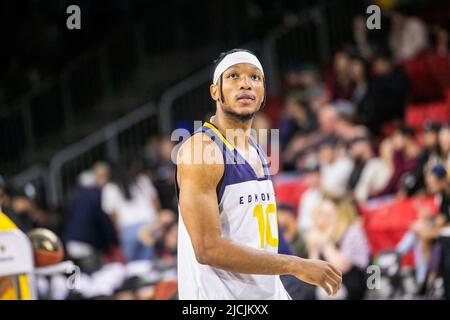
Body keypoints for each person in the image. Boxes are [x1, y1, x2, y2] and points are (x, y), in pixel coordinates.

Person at [176, 49, 342, 300]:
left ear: (263, 94)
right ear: (215, 92)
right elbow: (207, 248)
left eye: (255, 78)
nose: (245, 84)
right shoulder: (201, 150)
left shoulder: (256, 147)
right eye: (233, 76)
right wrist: (296, 265)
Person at [306, 196, 370, 299]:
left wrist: (325, 241)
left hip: (355, 279)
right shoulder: (322, 232)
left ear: (340, 213)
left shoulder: (352, 231)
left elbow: (341, 267)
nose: (324, 218)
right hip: (334, 280)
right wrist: (314, 247)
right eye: (321, 213)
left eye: (328, 214)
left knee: (328, 293)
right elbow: (313, 271)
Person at [102, 160, 160, 262]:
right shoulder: (142, 180)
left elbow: (111, 214)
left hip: (128, 229)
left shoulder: (110, 188)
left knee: (134, 266)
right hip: (150, 226)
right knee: (151, 263)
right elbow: (155, 202)